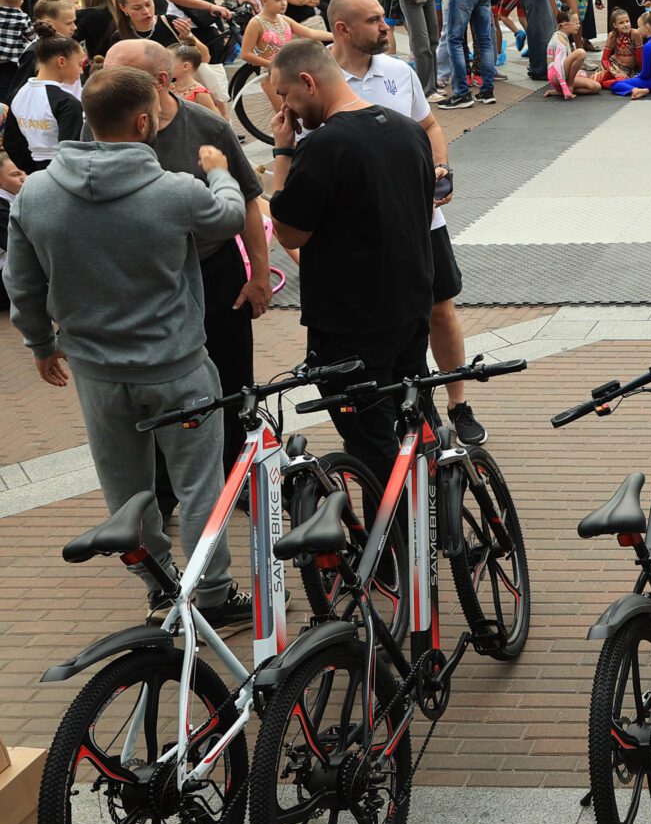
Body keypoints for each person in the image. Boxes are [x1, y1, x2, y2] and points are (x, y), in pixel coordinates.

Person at [6, 66, 250, 621]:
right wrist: (219, 172)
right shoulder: (175, 191)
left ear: (87, 118)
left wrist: (41, 344)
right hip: (177, 366)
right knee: (199, 487)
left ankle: (159, 584)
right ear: (144, 121)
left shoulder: (37, 195)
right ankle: (211, 595)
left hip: (96, 372)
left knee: (126, 490)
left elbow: (22, 283)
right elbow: (230, 217)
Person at [102, 39, 271, 490]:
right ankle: (163, 490)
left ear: (161, 81)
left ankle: (236, 478)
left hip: (214, 272)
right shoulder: (102, 125)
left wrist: (257, 275)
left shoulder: (206, 126)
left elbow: (249, 202)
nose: (107, 82)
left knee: (233, 381)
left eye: (121, 74)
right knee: (154, 387)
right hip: (145, 282)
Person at [324, 0, 489, 445]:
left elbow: (429, 123)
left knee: (440, 310)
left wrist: (441, 166)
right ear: (343, 29)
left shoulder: (398, 72)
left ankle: (459, 402)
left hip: (423, 220)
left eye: (384, 17)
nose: (385, 26)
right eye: (375, 19)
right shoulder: (320, 77)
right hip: (367, 234)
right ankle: (416, 407)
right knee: (394, 322)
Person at [265, 39, 437, 472]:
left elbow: (288, 230)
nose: (285, 107)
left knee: (370, 440)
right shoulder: (408, 130)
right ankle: (433, 514)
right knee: (413, 420)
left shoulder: (323, 146)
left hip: (351, 322)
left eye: (285, 94)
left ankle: (394, 534)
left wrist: (283, 152)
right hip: (410, 307)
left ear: (308, 82)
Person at [3, 35, 86, 172]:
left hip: (34, 170)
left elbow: (12, 143)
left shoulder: (18, 95)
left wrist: (32, 171)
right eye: (79, 64)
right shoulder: (67, 103)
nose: (82, 70)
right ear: (61, 62)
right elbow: (71, 151)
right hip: (63, 171)